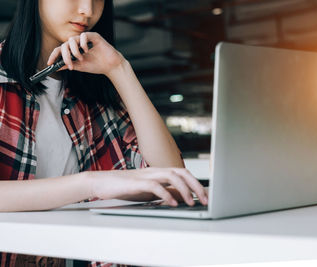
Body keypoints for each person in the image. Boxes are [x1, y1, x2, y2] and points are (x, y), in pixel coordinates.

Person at [0, 0, 208, 266]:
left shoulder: (92, 91)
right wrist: (91, 183)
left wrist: (119, 69)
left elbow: (169, 176)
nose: (87, 10)